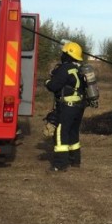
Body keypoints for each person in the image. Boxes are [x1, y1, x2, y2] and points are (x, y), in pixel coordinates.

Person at [44, 41, 90, 172]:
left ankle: (60, 164)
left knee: (60, 132)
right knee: (73, 133)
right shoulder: (79, 69)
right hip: (79, 106)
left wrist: (47, 81)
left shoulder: (64, 69)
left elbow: (53, 86)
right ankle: (75, 161)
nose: (62, 55)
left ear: (68, 55)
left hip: (68, 107)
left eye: (64, 53)